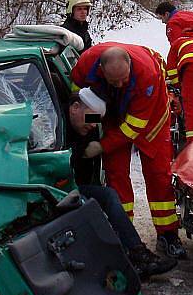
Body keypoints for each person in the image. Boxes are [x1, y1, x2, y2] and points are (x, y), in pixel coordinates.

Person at [71, 42, 187, 258]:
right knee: (116, 176)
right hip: (112, 115)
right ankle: (124, 236)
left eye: (124, 79)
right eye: (113, 81)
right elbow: (76, 98)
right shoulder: (86, 63)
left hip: (151, 118)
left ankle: (168, 234)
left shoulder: (147, 75)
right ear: (101, 70)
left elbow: (133, 127)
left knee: (158, 175)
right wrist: (89, 120)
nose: (120, 84)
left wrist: (102, 145)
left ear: (130, 66)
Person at [66, 88, 177, 279]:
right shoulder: (52, 123)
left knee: (109, 195)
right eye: (90, 118)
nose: (93, 125)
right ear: (74, 107)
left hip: (77, 185)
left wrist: (98, 145)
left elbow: (102, 129)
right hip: (55, 187)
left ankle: (137, 253)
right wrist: (78, 152)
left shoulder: (89, 119)